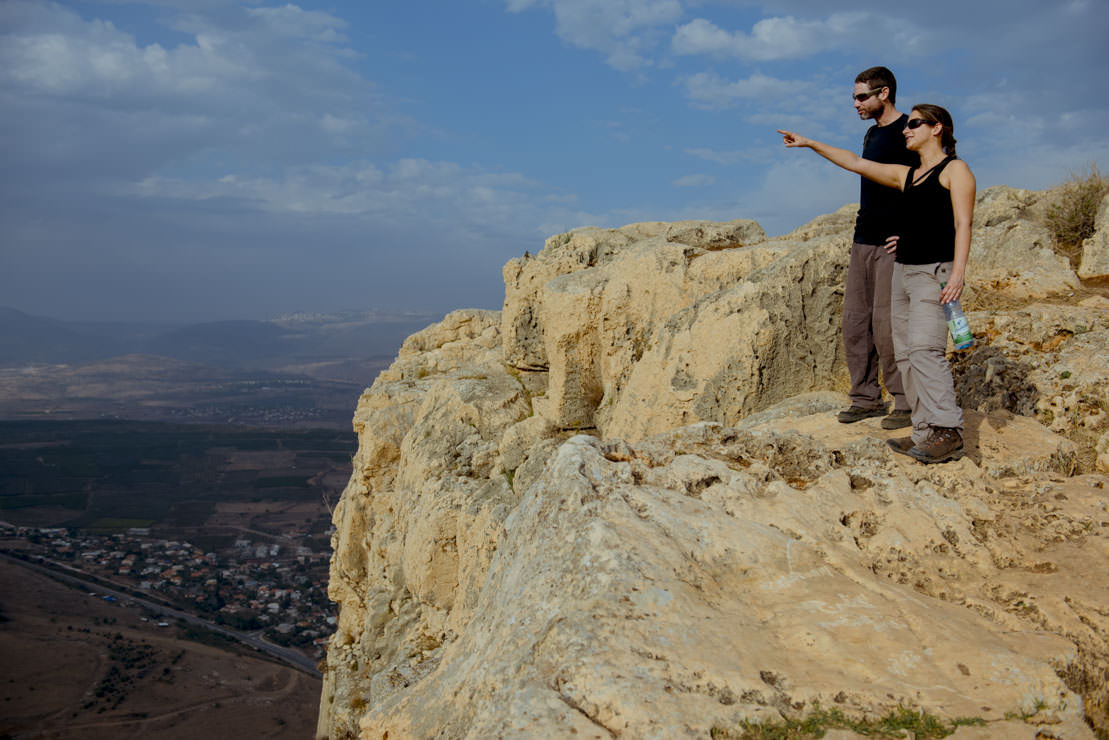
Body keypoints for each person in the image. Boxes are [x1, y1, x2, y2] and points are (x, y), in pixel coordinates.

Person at [778, 103, 975, 464]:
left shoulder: (955, 170)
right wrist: (809, 143)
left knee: (925, 350)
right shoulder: (908, 175)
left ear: (938, 128)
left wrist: (959, 273)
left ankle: (948, 430)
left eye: (914, 124)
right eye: (907, 125)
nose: (906, 130)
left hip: (935, 274)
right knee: (903, 354)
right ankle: (923, 431)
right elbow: (856, 163)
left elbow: (963, 223)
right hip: (902, 272)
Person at [838, 66, 918, 430]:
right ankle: (866, 399)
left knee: (889, 326)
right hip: (862, 239)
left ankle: (904, 401)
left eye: (861, 97)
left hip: (892, 245)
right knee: (855, 323)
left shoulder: (909, 131)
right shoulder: (871, 135)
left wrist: (909, 230)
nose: (854, 104)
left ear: (883, 93)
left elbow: (927, 185)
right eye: (854, 97)